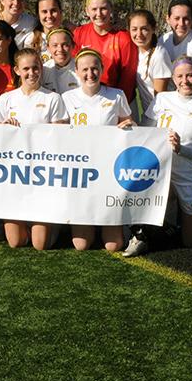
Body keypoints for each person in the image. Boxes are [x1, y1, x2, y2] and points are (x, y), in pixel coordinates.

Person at [127, 56, 192, 257]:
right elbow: (146, 131)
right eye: (180, 76)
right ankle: (152, 228)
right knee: (159, 229)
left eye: (190, 75)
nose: (185, 81)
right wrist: (129, 128)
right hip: (162, 173)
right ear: (173, 77)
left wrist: (181, 149)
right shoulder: (162, 99)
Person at [0, 48, 68, 250]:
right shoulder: (6, 99)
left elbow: (62, 135)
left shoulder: (53, 98)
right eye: (26, 69)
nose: (32, 73)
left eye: (36, 68)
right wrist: (4, 127)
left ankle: (54, 225)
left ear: (41, 68)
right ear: (17, 70)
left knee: (40, 244)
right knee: (16, 243)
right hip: (14, 171)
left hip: (42, 171)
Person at [61, 49, 133, 251]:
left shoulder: (116, 95)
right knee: (81, 245)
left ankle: (118, 224)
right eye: (85, 69)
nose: (90, 74)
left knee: (113, 245)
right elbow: (57, 133)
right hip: (81, 170)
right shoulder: (67, 98)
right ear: (76, 71)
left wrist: (128, 126)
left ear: (102, 69)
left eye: (95, 68)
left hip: (109, 168)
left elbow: (130, 123)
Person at [72, 0, 138, 102]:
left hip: (118, 100)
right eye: (94, 9)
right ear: (87, 11)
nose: (99, 14)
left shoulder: (123, 37)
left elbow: (128, 77)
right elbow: (74, 69)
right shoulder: (79, 33)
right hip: (88, 100)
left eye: (103, 8)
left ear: (111, 9)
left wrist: (118, 103)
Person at [129, 10, 172, 120]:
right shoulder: (135, 51)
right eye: (134, 29)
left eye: (144, 29)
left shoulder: (159, 55)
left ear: (153, 29)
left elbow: (160, 98)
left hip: (162, 117)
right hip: (150, 113)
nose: (139, 34)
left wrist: (147, 122)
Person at [160, 0, 192, 83]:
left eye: (186, 18)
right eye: (177, 18)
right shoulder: (163, 40)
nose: (181, 23)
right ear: (168, 19)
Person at [42, 28, 79, 94]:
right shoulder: (43, 70)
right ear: (48, 48)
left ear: (73, 46)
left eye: (65, 45)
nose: (60, 49)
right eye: (55, 45)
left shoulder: (81, 68)